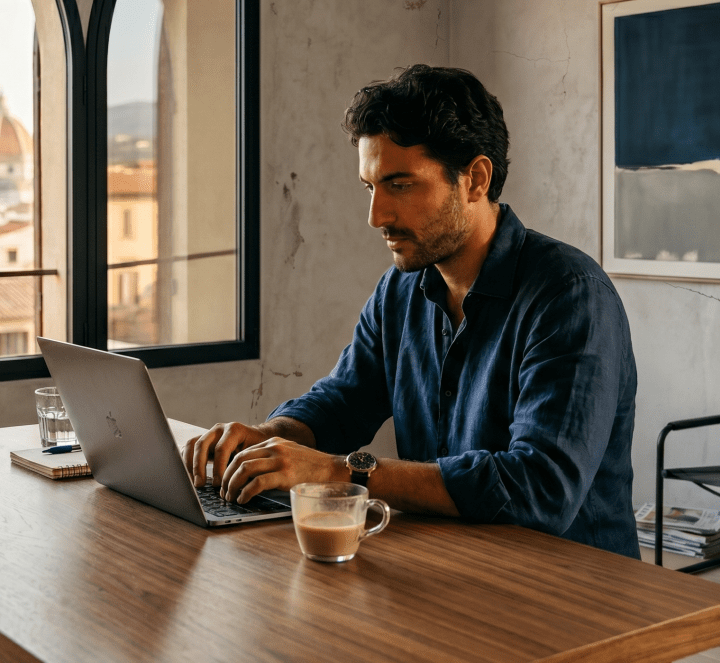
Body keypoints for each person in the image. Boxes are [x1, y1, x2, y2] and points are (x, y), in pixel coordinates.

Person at [183, 65, 640, 558]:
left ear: (476, 179)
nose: (377, 216)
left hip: (574, 592)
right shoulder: (400, 290)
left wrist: (342, 472)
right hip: (453, 572)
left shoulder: (570, 296)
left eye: (400, 185)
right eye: (369, 187)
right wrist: (270, 439)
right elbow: (343, 402)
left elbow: (538, 489)